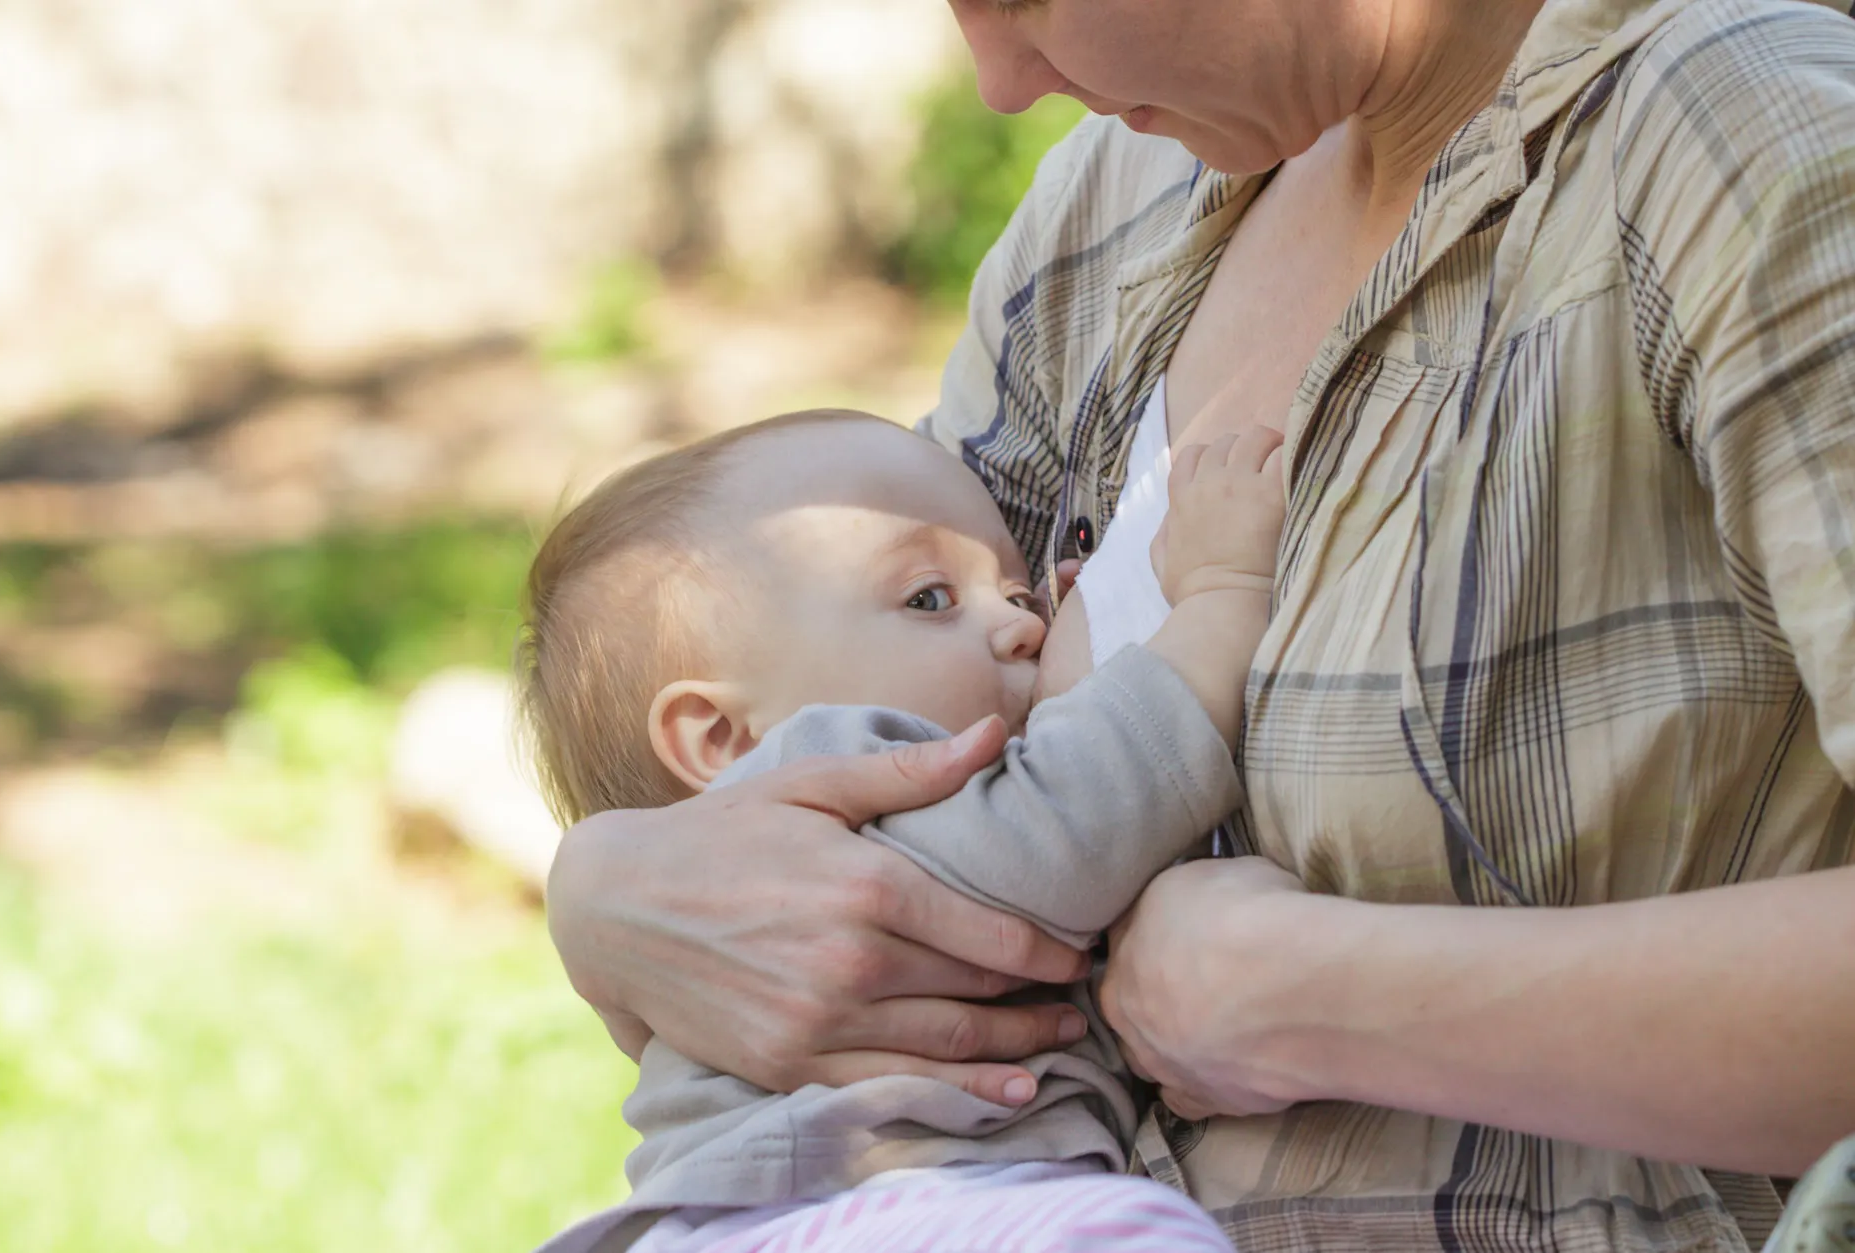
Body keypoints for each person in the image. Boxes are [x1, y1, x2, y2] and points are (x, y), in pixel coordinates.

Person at [546, 0, 1855, 1249]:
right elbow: (823, 663)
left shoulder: (1732, 136)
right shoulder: (1118, 199)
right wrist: (607, 890)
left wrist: (1319, 995)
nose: (1001, 82)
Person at [519, 407, 1283, 1252]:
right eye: (929, 599)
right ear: (726, 739)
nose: (1028, 625)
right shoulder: (826, 774)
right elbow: (1078, 811)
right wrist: (1224, 594)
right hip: (864, 1206)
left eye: (1022, 594)